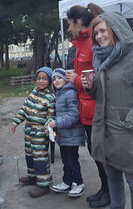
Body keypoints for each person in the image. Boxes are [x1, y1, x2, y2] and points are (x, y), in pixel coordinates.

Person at [82, 11, 133, 209]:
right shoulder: (102, 59)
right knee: (112, 178)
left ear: (116, 30)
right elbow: (101, 97)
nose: (99, 36)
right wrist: (91, 87)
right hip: (105, 131)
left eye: (103, 31)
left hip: (128, 132)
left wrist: (129, 121)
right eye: (96, 33)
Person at [65, 3, 110, 207]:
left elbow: (97, 82)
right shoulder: (81, 45)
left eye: (69, 24)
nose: (68, 29)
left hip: (94, 110)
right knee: (95, 153)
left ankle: (109, 192)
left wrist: (74, 79)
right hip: (86, 110)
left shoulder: (91, 46)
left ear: (78, 23)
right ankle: (105, 189)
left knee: (101, 155)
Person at [12, 67, 55, 198]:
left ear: (49, 81)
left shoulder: (50, 97)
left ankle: (43, 185)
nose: (41, 81)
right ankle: (32, 177)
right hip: (28, 130)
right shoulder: (33, 93)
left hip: (40, 133)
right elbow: (24, 109)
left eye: (44, 79)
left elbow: (51, 117)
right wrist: (16, 121)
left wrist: (48, 128)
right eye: (39, 78)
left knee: (40, 158)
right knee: (29, 155)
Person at [48, 68, 85, 197]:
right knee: (66, 159)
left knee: (72, 160)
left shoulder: (70, 93)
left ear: (65, 79)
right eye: (54, 79)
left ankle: (78, 182)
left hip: (72, 135)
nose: (56, 80)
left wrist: (56, 123)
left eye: (59, 77)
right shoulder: (60, 94)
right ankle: (67, 181)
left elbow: (74, 115)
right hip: (64, 136)